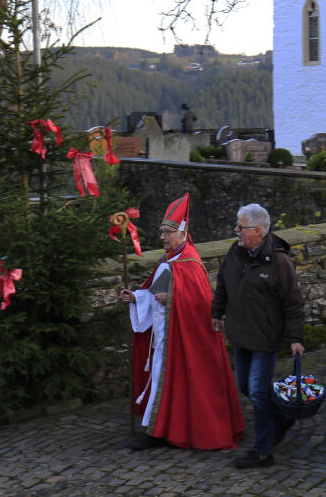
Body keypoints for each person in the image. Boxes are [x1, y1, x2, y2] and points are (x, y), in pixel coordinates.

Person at [119, 193, 244, 451]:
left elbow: (199, 304)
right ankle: (158, 429)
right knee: (161, 378)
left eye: (168, 232)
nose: (163, 237)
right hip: (165, 336)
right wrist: (137, 297)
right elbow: (156, 293)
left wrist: (172, 297)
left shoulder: (190, 263)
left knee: (179, 382)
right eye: (161, 232)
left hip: (181, 337)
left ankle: (164, 431)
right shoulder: (170, 260)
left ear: (182, 232)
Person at [212, 203, 305, 469]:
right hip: (240, 334)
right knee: (245, 387)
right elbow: (223, 285)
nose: (235, 230)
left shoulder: (279, 262)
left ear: (256, 231)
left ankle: (263, 450)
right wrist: (216, 313)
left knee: (258, 390)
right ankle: (281, 416)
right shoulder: (235, 252)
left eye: (240, 227)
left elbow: (293, 303)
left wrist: (296, 338)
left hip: (265, 337)